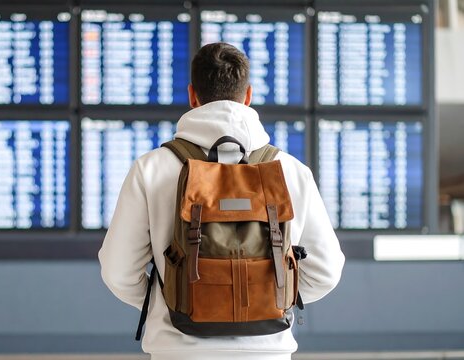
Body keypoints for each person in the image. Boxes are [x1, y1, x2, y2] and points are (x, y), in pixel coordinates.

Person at [98, 42, 345, 360]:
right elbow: (326, 272)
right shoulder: (290, 170)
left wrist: (171, 298)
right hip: (268, 352)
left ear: (192, 97)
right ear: (248, 96)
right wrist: (269, 298)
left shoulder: (151, 168)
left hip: (177, 351)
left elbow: (118, 271)